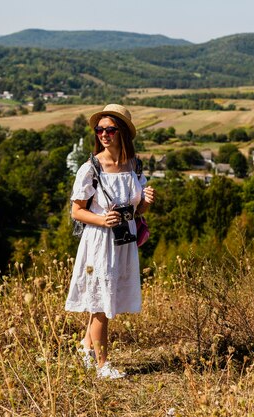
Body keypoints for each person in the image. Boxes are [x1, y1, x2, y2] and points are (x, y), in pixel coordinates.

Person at [65, 104, 156, 379]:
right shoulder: (91, 168)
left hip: (123, 240)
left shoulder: (134, 166)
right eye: (100, 129)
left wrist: (147, 204)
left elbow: (135, 210)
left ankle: (85, 347)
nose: (104, 134)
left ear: (123, 133)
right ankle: (102, 365)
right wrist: (102, 220)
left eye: (110, 129)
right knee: (101, 305)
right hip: (99, 241)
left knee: (102, 297)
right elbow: (76, 210)